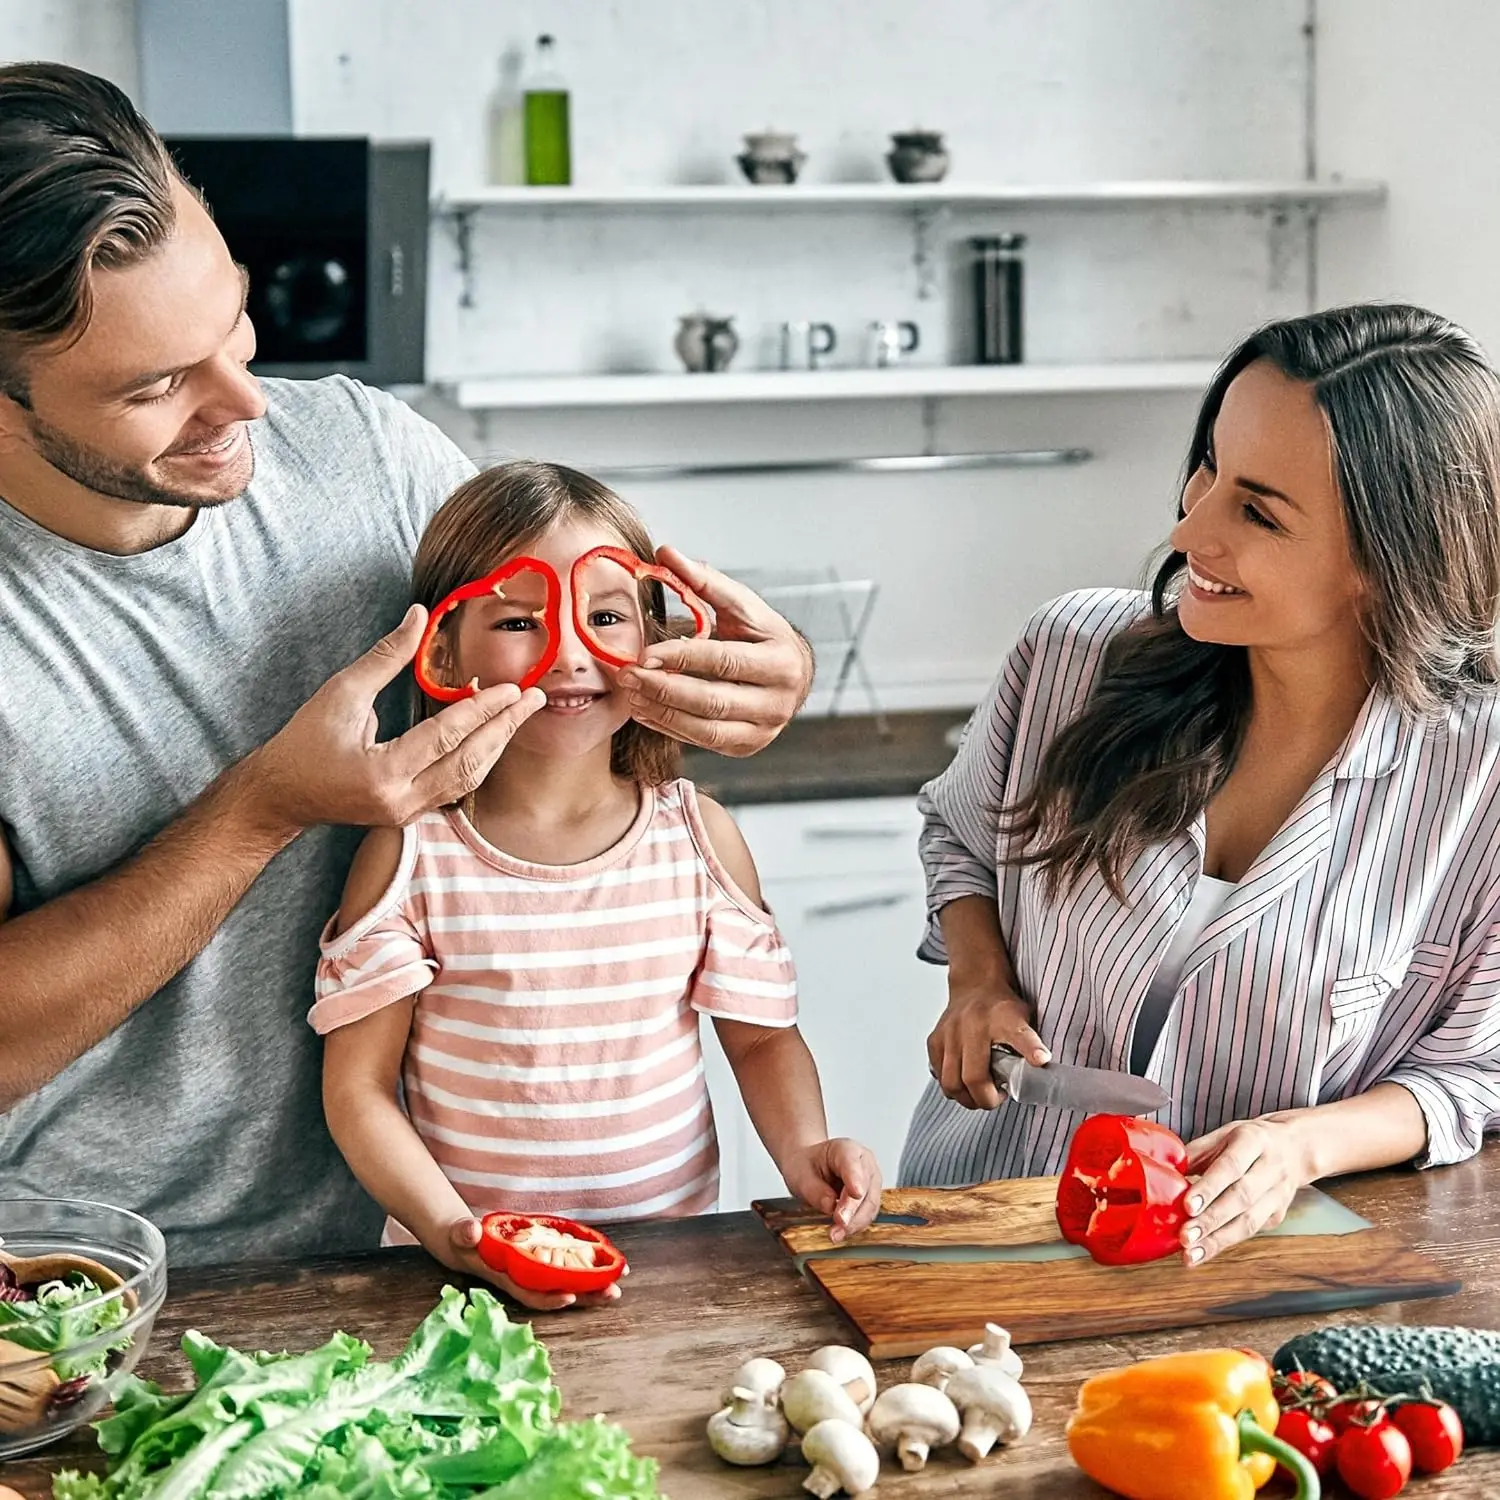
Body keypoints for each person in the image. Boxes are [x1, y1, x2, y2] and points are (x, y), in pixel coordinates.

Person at [0, 62, 811, 1265]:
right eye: (158, 386)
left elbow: (560, 627)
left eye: (232, 319)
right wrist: (261, 812)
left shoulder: (368, 452)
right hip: (105, 1276)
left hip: (405, 1250)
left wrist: (752, 674)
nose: (247, 406)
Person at [903, 303, 1500, 1266]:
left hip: (1253, 1260)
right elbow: (961, 834)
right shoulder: (1071, 653)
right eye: (1207, 469)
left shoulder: (1480, 781)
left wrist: (1298, 1144)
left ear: (1390, 565)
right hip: (985, 1220)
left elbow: (1472, 1075)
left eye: (1256, 511)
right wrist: (977, 979)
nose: (1189, 529)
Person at [312, 462, 880, 1306]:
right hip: (461, 1283)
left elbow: (759, 1039)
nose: (571, 652)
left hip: (668, 1272)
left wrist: (803, 1151)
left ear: (653, 640)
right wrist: (452, 1233)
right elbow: (359, 1089)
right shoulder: (410, 852)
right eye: (517, 620)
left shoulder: (698, 838)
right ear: (441, 650)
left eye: (606, 615)